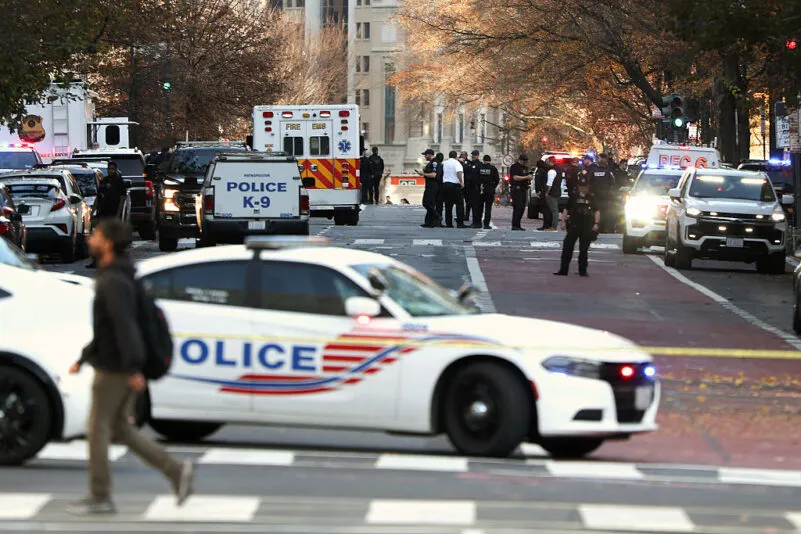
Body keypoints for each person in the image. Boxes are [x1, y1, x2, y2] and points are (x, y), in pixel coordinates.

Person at [66, 219, 195, 515]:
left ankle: (100, 496)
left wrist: (134, 367)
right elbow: (109, 329)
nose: (90, 239)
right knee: (121, 429)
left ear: (108, 242)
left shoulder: (113, 281)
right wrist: (84, 356)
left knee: (96, 429)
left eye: (95, 235)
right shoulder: (122, 275)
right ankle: (176, 471)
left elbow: (125, 327)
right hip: (118, 362)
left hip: (115, 368)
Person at [554, 166, 601, 277]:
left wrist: (596, 223)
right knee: (567, 247)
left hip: (587, 225)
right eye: (581, 186)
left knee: (583, 250)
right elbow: (566, 209)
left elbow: (596, 211)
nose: (582, 188)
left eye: (584, 186)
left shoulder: (591, 197)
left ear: (587, 187)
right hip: (574, 225)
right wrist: (562, 221)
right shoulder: (574, 196)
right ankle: (563, 270)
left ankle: (582, 271)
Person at [87, 162, 127, 268]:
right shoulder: (104, 181)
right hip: (102, 213)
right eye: (109, 169)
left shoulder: (119, 182)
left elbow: (122, 199)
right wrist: (93, 211)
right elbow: (98, 197)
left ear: (116, 169)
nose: (110, 171)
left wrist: (118, 214)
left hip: (113, 213)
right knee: (99, 237)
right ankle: (96, 261)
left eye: (112, 169)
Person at [442, 151, 467, 228]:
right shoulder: (456, 163)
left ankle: (448, 223)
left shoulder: (445, 163)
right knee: (459, 204)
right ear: (456, 156)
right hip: (455, 186)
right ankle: (460, 223)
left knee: (448, 205)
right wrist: (461, 182)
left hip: (446, 185)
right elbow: (459, 172)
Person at [418, 149, 441, 228]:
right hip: (429, 185)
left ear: (430, 154)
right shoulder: (430, 163)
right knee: (430, 204)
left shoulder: (434, 162)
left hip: (432, 185)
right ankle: (429, 222)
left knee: (426, 203)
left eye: (426, 155)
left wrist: (423, 173)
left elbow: (434, 175)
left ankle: (437, 216)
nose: (425, 156)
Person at [508, 154, 531, 230]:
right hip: (516, 188)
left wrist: (529, 178)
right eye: (524, 161)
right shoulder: (514, 167)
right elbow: (515, 177)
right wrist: (526, 177)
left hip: (523, 189)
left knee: (522, 208)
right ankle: (515, 225)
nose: (525, 163)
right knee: (518, 207)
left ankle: (518, 225)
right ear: (520, 160)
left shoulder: (525, 168)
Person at [477, 155, 501, 229]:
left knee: (479, 207)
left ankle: (478, 223)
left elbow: (475, 178)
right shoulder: (493, 168)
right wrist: (493, 187)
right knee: (488, 207)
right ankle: (486, 224)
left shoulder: (479, 168)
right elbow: (497, 179)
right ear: (490, 160)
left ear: (483, 160)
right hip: (489, 190)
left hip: (480, 189)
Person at [541, 158, 562, 231]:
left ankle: (553, 227)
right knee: (554, 210)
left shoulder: (552, 171)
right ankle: (552, 226)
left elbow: (550, 183)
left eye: (547, 162)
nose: (546, 164)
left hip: (552, 193)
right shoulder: (559, 169)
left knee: (553, 210)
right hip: (557, 192)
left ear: (550, 162)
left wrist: (547, 192)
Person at [464, 150, 483, 228]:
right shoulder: (470, 164)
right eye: (472, 155)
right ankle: (475, 222)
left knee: (476, 206)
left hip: (476, 188)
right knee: (471, 205)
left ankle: (477, 222)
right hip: (470, 187)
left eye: (474, 155)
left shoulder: (479, 164)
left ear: (478, 156)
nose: (473, 156)